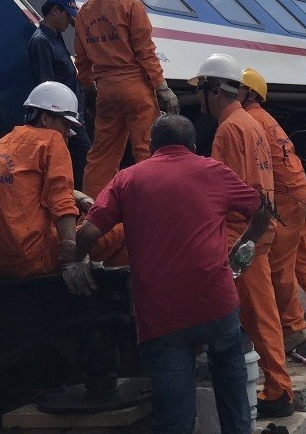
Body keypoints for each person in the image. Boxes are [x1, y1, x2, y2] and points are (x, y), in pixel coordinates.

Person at [67, 114, 270, 434]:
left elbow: (89, 232)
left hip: (160, 315)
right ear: (191, 145)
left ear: (151, 147)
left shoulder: (127, 179)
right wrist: (246, 245)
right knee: (232, 384)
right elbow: (261, 210)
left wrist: (77, 261)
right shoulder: (214, 171)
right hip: (214, 302)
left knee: (174, 414)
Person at [192, 53, 293, 418]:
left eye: (200, 90)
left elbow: (226, 187)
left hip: (242, 235)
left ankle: (278, 390)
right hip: (256, 228)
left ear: (214, 90)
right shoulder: (249, 124)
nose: (196, 99)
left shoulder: (230, 129)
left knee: (257, 316)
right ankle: (274, 383)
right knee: (260, 313)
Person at [238, 68, 306, 345]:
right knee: (300, 256)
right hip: (300, 192)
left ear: (248, 92)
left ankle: (294, 327)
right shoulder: (265, 117)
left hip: (284, 199)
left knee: (278, 265)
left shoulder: (246, 120)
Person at [75, 0, 180, 197]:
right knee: (146, 149)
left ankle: (92, 212)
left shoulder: (85, 11)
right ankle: (153, 204)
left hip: (106, 91)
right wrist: (162, 87)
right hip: (135, 88)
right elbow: (146, 52)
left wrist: (88, 87)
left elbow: (81, 57)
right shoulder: (132, 6)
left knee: (102, 154)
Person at [0, 81, 90, 278]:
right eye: (66, 125)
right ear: (45, 118)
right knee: (115, 233)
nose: (68, 133)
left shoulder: (4, 141)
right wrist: (72, 250)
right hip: (27, 257)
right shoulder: (52, 140)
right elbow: (60, 198)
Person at [27, 0, 92, 187]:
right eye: (67, 17)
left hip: (73, 116)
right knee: (82, 164)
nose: (68, 23)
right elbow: (46, 86)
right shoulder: (41, 41)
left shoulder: (56, 37)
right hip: (64, 119)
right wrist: (62, 127)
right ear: (56, 10)